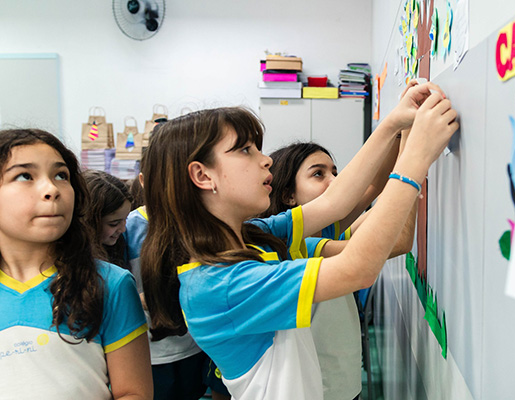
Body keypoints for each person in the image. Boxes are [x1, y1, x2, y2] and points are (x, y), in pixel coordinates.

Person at [141, 83, 457, 399]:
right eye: (245, 150)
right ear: (203, 176)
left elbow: (334, 203)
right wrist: (415, 157)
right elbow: (357, 268)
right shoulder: (219, 284)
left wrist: (393, 123)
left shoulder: (254, 237)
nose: (265, 160)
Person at [0, 128, 152, 399]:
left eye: (61, 175)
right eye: (25, 175)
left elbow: (134, 392)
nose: (51, 189)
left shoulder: (109, 285)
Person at [262, 139, 418, 400]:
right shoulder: (302, 248)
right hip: (324, 391)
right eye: (318, 174)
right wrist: (415, 157)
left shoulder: (325, 233)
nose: (335, 181)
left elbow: (372, 186)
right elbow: (399, 241)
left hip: (341, 383)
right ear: (289, 195)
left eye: (334, 171)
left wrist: (404, 135)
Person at [125, 167, 231, 400]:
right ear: (143, 180)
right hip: (150, 352)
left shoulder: (198, 223)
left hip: (193, 345)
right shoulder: (128, 227)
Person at [82, 169, 133, 269]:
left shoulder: (120, 247)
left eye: (125, 219)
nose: (123, 229)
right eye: (113, 224)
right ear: (89, 220)